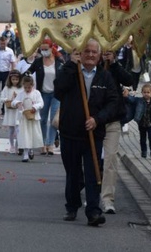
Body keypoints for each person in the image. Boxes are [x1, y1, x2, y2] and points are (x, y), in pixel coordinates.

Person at [54, 38, 119, 227]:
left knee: (93, 173)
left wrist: (97, 119)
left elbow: (113, 102)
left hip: (93, 134)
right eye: (87, 51)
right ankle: (72, 206)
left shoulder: (105, 77)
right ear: (80, 53)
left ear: (99, 56)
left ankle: (93, 211)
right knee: (73, 173)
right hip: (70, 132)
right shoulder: (70, 70)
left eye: (94, 52)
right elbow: (59, 90)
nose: (90, 55)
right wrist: (70, 66)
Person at [99, 48, 132, 215]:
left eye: (109, 52)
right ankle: (92, 192)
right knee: (93, 160)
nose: (105, 54)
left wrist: (113, 63)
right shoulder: (92, 67)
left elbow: (129, 79)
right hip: (93, 121)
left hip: (112, 120)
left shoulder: (115, 67)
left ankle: (107, 199)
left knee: (111, 159)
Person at [26, 38, 64, 155]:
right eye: (41, 50)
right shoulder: (38, 61)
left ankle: (50, 144)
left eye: (45, 49)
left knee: (53, 120)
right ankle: (42, 143)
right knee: (42, 119)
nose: (44, 52)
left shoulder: (59, 61)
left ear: (52, 48)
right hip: (42, 94)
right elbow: (29, 72)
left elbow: (65, 76)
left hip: (56, 94)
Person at [13, 75, 44, 162]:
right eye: (25, 87)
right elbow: (14, 102)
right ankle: (25, 154)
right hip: (24, 118)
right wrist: (18, 103)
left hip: (33, 117)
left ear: (32, 85)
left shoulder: (37, 93)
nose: (27, 89)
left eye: (29, 87)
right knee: (25, 135)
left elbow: (41, 103)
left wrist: (35, 107)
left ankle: (31, 149)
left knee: (33, 135)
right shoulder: (21, 94)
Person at [127, 83, 151, 158]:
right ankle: (144, 151)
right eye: (144, 92)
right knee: (143, 138)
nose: (146, 94)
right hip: (142, 123)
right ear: (142, 93)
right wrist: (127, 95)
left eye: (148, 92)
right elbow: (132, 99)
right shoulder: (139, 101)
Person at [1, 70, 23, 155]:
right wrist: (8, 99)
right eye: (13, 79)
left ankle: (18, 145)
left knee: (18, 129)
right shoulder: (7, 88)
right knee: (11, 130)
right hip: (10, 111)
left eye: (17, 79)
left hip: (18, 111)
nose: (15, 81)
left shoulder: (21, 88)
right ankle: (12, 145)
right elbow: (2, 98)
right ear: (10, 79)